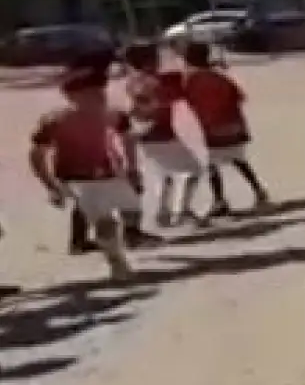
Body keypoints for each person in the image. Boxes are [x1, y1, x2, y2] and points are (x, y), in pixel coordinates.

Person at [29, 66, 142, 280]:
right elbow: (37, 154)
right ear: (72, 96)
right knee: (104, 220)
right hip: (76, 178)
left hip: (108, 174)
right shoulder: (55, 120)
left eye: (101, 91)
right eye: (92, 93)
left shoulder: (113, 115)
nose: (100, 96)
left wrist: (132, 168)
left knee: (131, 209)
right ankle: (117, 262)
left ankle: (123, 244)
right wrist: (51, 186)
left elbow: (128, 138)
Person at [180, 41, 271, 217]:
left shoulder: (189, 80)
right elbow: (239, 97)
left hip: (210, 128)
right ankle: (259, 191)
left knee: (212, 165)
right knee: (238, 160)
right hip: (232, 125)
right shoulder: (219, 76)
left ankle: (219, 201)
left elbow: (186, 103)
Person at [124, 42, 204, 227]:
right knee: (193, 170)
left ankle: (163, 212)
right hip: (161, 133)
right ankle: (181, 211)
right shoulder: (154, 82)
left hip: (145, 135)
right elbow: (167, 97)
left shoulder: (133, 81)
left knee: (164, 174)